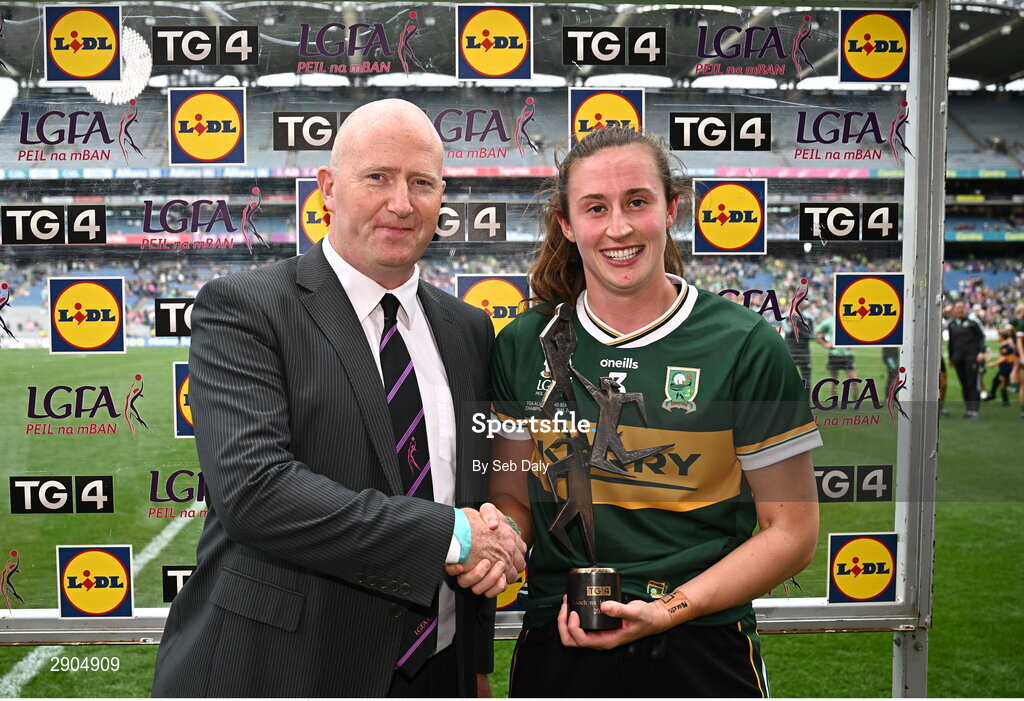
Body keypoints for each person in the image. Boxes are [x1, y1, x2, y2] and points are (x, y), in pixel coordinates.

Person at [153, 99, 526, 698]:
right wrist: (449, 536)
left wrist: (475, 662)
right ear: (328, 188)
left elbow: (469, 492)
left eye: (421, 183)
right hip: (286, 671)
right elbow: (256, 491)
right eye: (378, 177)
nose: (401, 203)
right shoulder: (246, 308)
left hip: (439, 675)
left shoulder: (468, 329)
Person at [458, 128, 821, 697]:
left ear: (671, 209)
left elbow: (792, 533)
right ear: (568, 225)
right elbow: (514, 499)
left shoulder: (746, 345)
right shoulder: (524, 345)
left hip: (703, 644)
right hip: (561, 639)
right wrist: (498, 537)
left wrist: (671, 608)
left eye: (637, 202)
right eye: (595, 208)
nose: (619, 228)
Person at [947, 300, 986, 419]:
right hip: (958, 359)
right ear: (954, 310)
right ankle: (968, 410)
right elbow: (951, 343)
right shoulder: (952, 324)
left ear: (965, 309)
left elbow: (981, 338)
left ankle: (975, 411)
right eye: (957, 308)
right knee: (964, 384)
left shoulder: (973, 323)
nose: (959, 310)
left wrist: (981, 352)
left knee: (972, 383)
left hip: (972, 358)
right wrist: (951, 358)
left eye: (961, 307)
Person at [814, 315, 857, 396]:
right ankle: (834, 404)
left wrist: (853, 344)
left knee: (854, 380)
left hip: (847, 355)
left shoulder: (849, 320)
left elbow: (857, 334)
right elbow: (817, 333)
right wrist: (825, 344)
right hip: (834, 354)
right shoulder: (830, 321)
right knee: (833, 381)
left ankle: (856, 403)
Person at [984, 328, 1016, 406]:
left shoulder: (1005, 346)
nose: (998, 337)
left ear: (1002, 336)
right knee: (995, 380)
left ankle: (1005, 402)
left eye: (998, 336)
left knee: (1002, 384)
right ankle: (992, 394)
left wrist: (993, 364)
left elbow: (1003, 358)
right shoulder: (1006, 344)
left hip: (1006, 368)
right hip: (1005, 368)